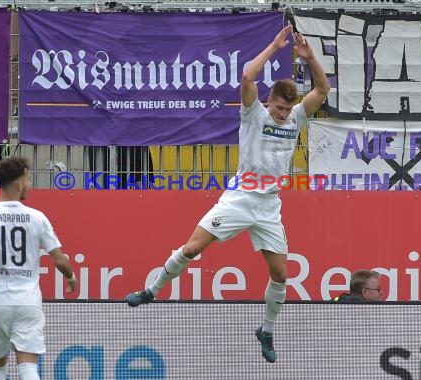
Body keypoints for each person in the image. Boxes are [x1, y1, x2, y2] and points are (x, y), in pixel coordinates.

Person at [125, 24, 330, 363]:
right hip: (238, 198)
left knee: (281, 274)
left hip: (268, 207)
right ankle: (151, 290)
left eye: (285, 109)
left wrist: (309, 58)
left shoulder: (295, 119)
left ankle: (266, 330)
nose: (281, 114)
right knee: (191, 248)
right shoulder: (254, 113)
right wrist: (274, 47)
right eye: (278, 107)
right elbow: (247, 77)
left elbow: (323, 89)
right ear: (270, 102)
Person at [0, 156, 77, 380]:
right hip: (28, 302)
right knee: (28, 366)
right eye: (28, 179)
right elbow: (59, 259)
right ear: (19, 183)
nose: (29, 184)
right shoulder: (38, 217)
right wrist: (71, 277)